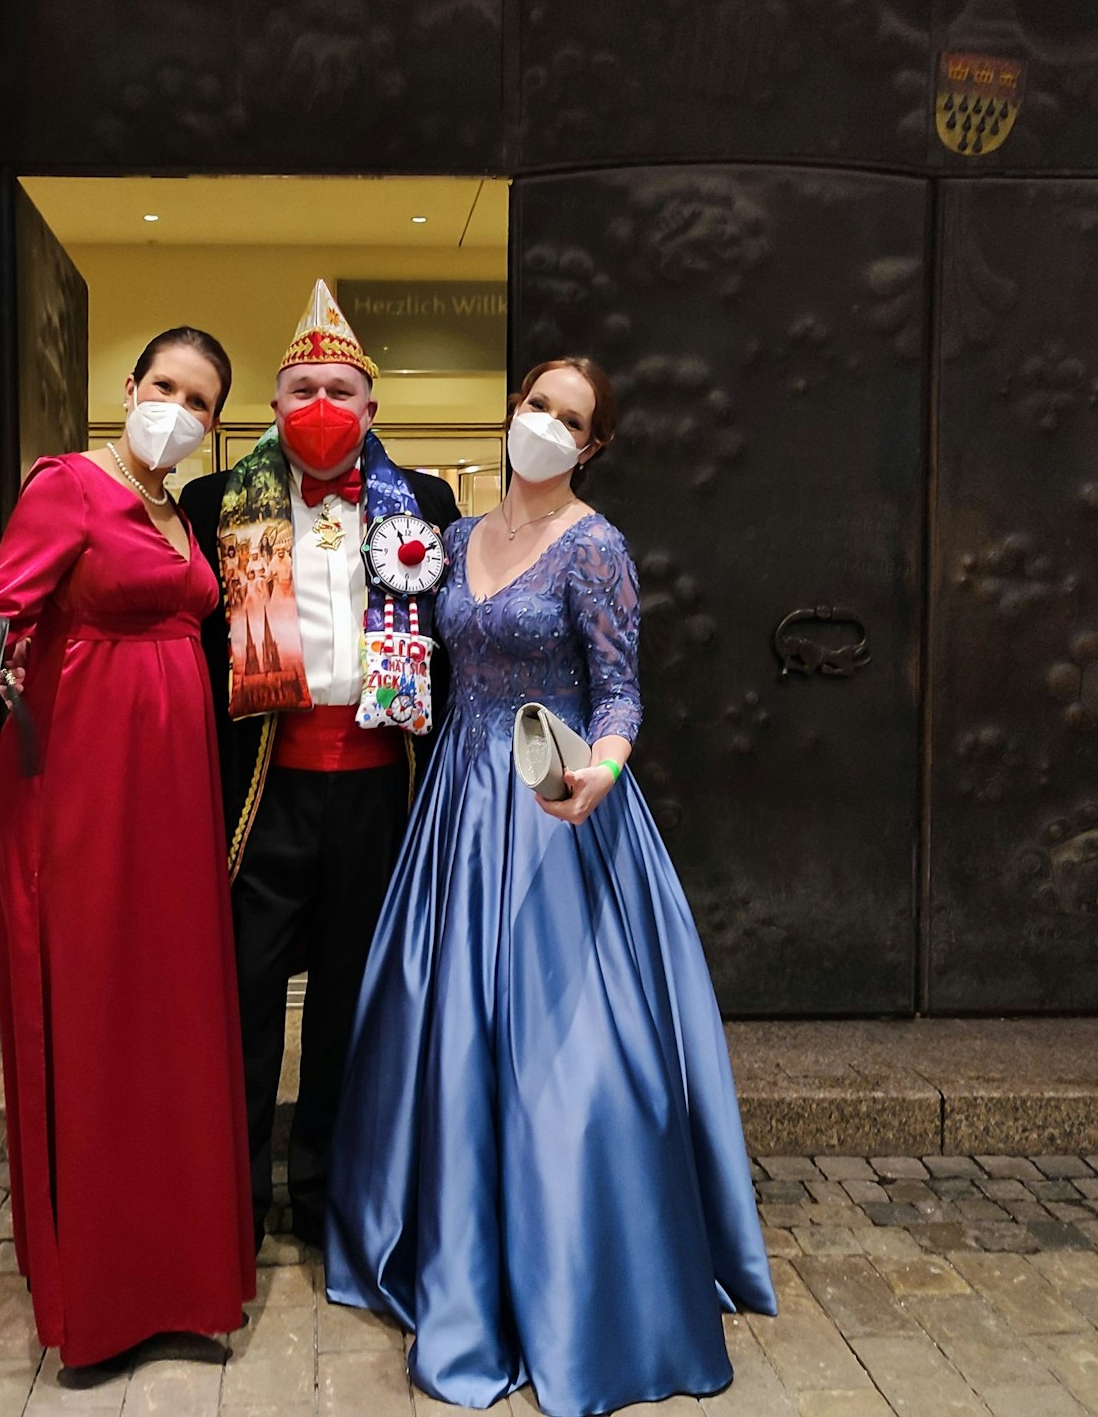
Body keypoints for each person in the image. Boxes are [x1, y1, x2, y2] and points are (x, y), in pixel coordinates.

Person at [325, 357, 777, 1415]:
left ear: (592, 446)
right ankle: (458, 1248)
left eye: (568, 420)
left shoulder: (596, 547)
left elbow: (619, 693)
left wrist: (599, 776)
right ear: (513, 410)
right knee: (445, 1031)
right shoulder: (446, 542)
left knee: (566, 1054)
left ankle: (581, 1272)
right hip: (452, 807)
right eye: (535, 405)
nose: (544, 426)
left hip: (552, 804)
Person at [0, 328, 254, 1367]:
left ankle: (179, 1284)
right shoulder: (67, 485)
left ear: (211, 426)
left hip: (171, 795)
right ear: (128, 387)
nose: (177, 408)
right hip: (80, 782)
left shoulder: (174, 513)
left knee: (166, 1021)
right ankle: (97, 1306)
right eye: (164, 385)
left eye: (199, 401)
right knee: (90, 1019)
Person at [179, 282, 459, 1253]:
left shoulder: (424, 502)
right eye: (301, 390)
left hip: (380, 789)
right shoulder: (214, 504)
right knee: (246, 996)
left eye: (339, 390)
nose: (321, 408)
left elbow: (454, 644)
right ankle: (234, 1198)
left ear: (372, 409)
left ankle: (327, 1190)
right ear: (271, 404)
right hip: (260, 792)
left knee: (349, 996)